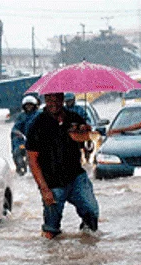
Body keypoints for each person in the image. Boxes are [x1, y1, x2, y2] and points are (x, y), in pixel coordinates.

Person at [26, 92, 100, 239]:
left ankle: (88, 244)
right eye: (49, 99)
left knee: (91, 212)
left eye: (56, 99)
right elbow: (32, 160)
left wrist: (86, 133)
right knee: (51, 229)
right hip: (52, 182)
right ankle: (52, 258)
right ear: (45, 100)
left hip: (76, 176)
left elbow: (88, 146)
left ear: (62, 99)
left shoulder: (74, 118)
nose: (53, 103)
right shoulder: (37, 124)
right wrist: (44, 189)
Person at [11, 95, 40, 175]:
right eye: (27, 105)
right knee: (17, 151)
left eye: (30, 105)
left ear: (34, 105)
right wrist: (17, 132)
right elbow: (16, 128)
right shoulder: (21, 116)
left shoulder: (40, 114)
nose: (29, 107)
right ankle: (21, 169)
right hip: (26, 141)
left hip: (40, 140)